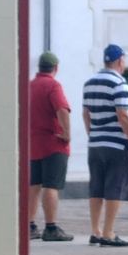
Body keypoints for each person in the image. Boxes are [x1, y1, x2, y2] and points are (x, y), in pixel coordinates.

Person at [82, 43, 128, 247]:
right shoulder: (120, 84)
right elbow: (124, 116)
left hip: (95, 144)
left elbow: (85, 113)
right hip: (116, 145)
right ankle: (109, 232)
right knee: (114, 188)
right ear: (119, 61)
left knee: (96, 188)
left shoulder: (89, 83)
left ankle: (95, 231)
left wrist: (93, 134)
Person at [26, 51, 74, 242]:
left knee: (33, 186)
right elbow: (62, 109)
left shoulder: (29, 86)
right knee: (51, 186)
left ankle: (29, 226)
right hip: (53, 144)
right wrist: (67, 134)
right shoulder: (53, 85)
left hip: (33, 144)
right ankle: (51, 227)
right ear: (56, 68)